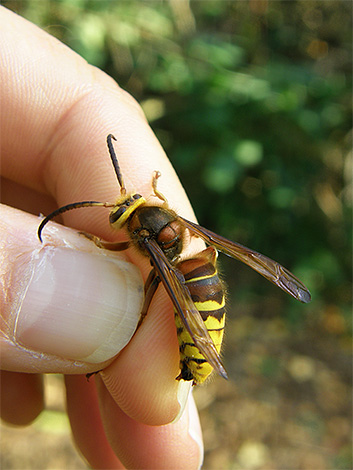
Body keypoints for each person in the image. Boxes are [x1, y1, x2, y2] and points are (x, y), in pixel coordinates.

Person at [0, 6, 203, 469]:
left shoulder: (142, 239)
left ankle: (195, 353)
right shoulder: (162, 222)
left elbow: (125, 248)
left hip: (190, 296)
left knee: (157, 291)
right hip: (194, 273)